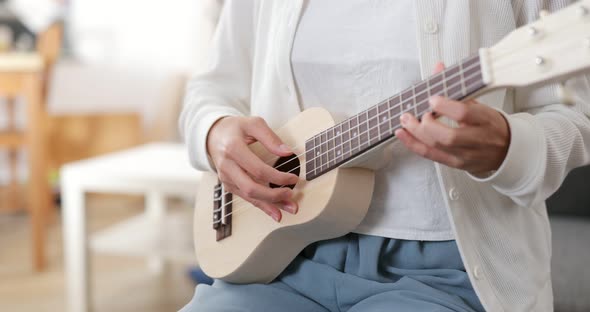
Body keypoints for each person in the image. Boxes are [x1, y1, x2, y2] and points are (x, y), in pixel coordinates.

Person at [179, 1, 590, 311]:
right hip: (281, 261)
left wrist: (507, 147)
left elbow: (576, 117)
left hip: (446, 274)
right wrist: (214, 133)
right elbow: (211, 89)